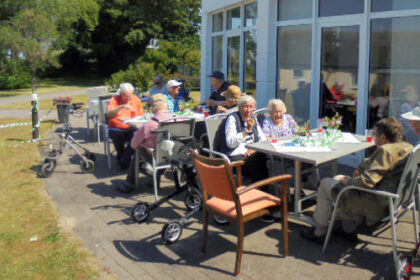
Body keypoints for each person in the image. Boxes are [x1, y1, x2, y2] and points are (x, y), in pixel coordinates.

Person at [301, 117, 413, 244]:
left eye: (375, 134)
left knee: (324, 183)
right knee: (337, 178)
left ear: (383, 137)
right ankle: (348, 230)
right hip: (392, 198)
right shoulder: (407, 146)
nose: (373, 137)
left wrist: (349, 181)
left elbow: (367, 181)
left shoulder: (385, 150)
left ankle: (319, 232)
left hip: (375, 201)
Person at [117, 94, 173, 193]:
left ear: (151, 108)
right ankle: (154, 178)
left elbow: (133, 145)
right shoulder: (180, 119)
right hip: (176, 157)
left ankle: (130, 183)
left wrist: (139, 137)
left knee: (139, 149)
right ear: (167, 105)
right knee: (159, 148)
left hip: (159, 158)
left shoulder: (149, 125)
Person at [222, 95, 268, 183]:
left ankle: (263, 190)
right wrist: (246, 131)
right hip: (236, 156)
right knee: (260, 163)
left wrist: (254, 149)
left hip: (252, 153)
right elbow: (230, 143)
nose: (249, 110)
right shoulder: (233, 118)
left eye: (251, 107)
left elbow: (263, 139)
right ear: (239, 107)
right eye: (245, 106)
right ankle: (258, 191)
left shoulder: (253, 118)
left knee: (266, 160)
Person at [107, 83, 144, 170]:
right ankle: (124, 159)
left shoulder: (136, 100)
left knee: (138, 136)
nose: (127, 98)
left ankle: (123, 161)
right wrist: (121, 107)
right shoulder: (114, 100)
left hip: (131, 128)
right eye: (125, 96)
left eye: (129, 96)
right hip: (116, 128)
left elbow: (141, 116)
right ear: (120, 94)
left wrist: (135, 123)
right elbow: (109, 114)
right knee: (117, 136)